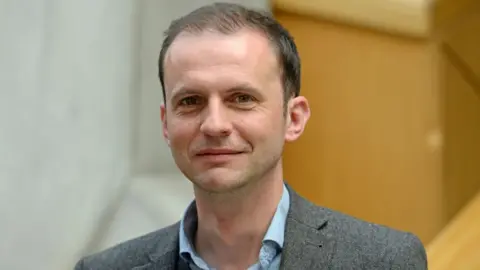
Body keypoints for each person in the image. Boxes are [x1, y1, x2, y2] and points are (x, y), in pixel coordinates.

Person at [75, 2, 427, 269]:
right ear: (166, 124)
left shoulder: (383, 262)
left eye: (241, 99)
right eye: (191, 101)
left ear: (294, 118)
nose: (214, 124)